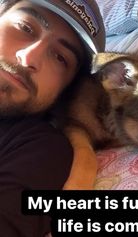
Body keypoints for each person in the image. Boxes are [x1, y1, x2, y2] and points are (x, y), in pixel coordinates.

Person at [0, 0, 105, 236]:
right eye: (25, 28)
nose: (28, 58)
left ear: (65, 89)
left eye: (60, 57)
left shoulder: (39, 150)